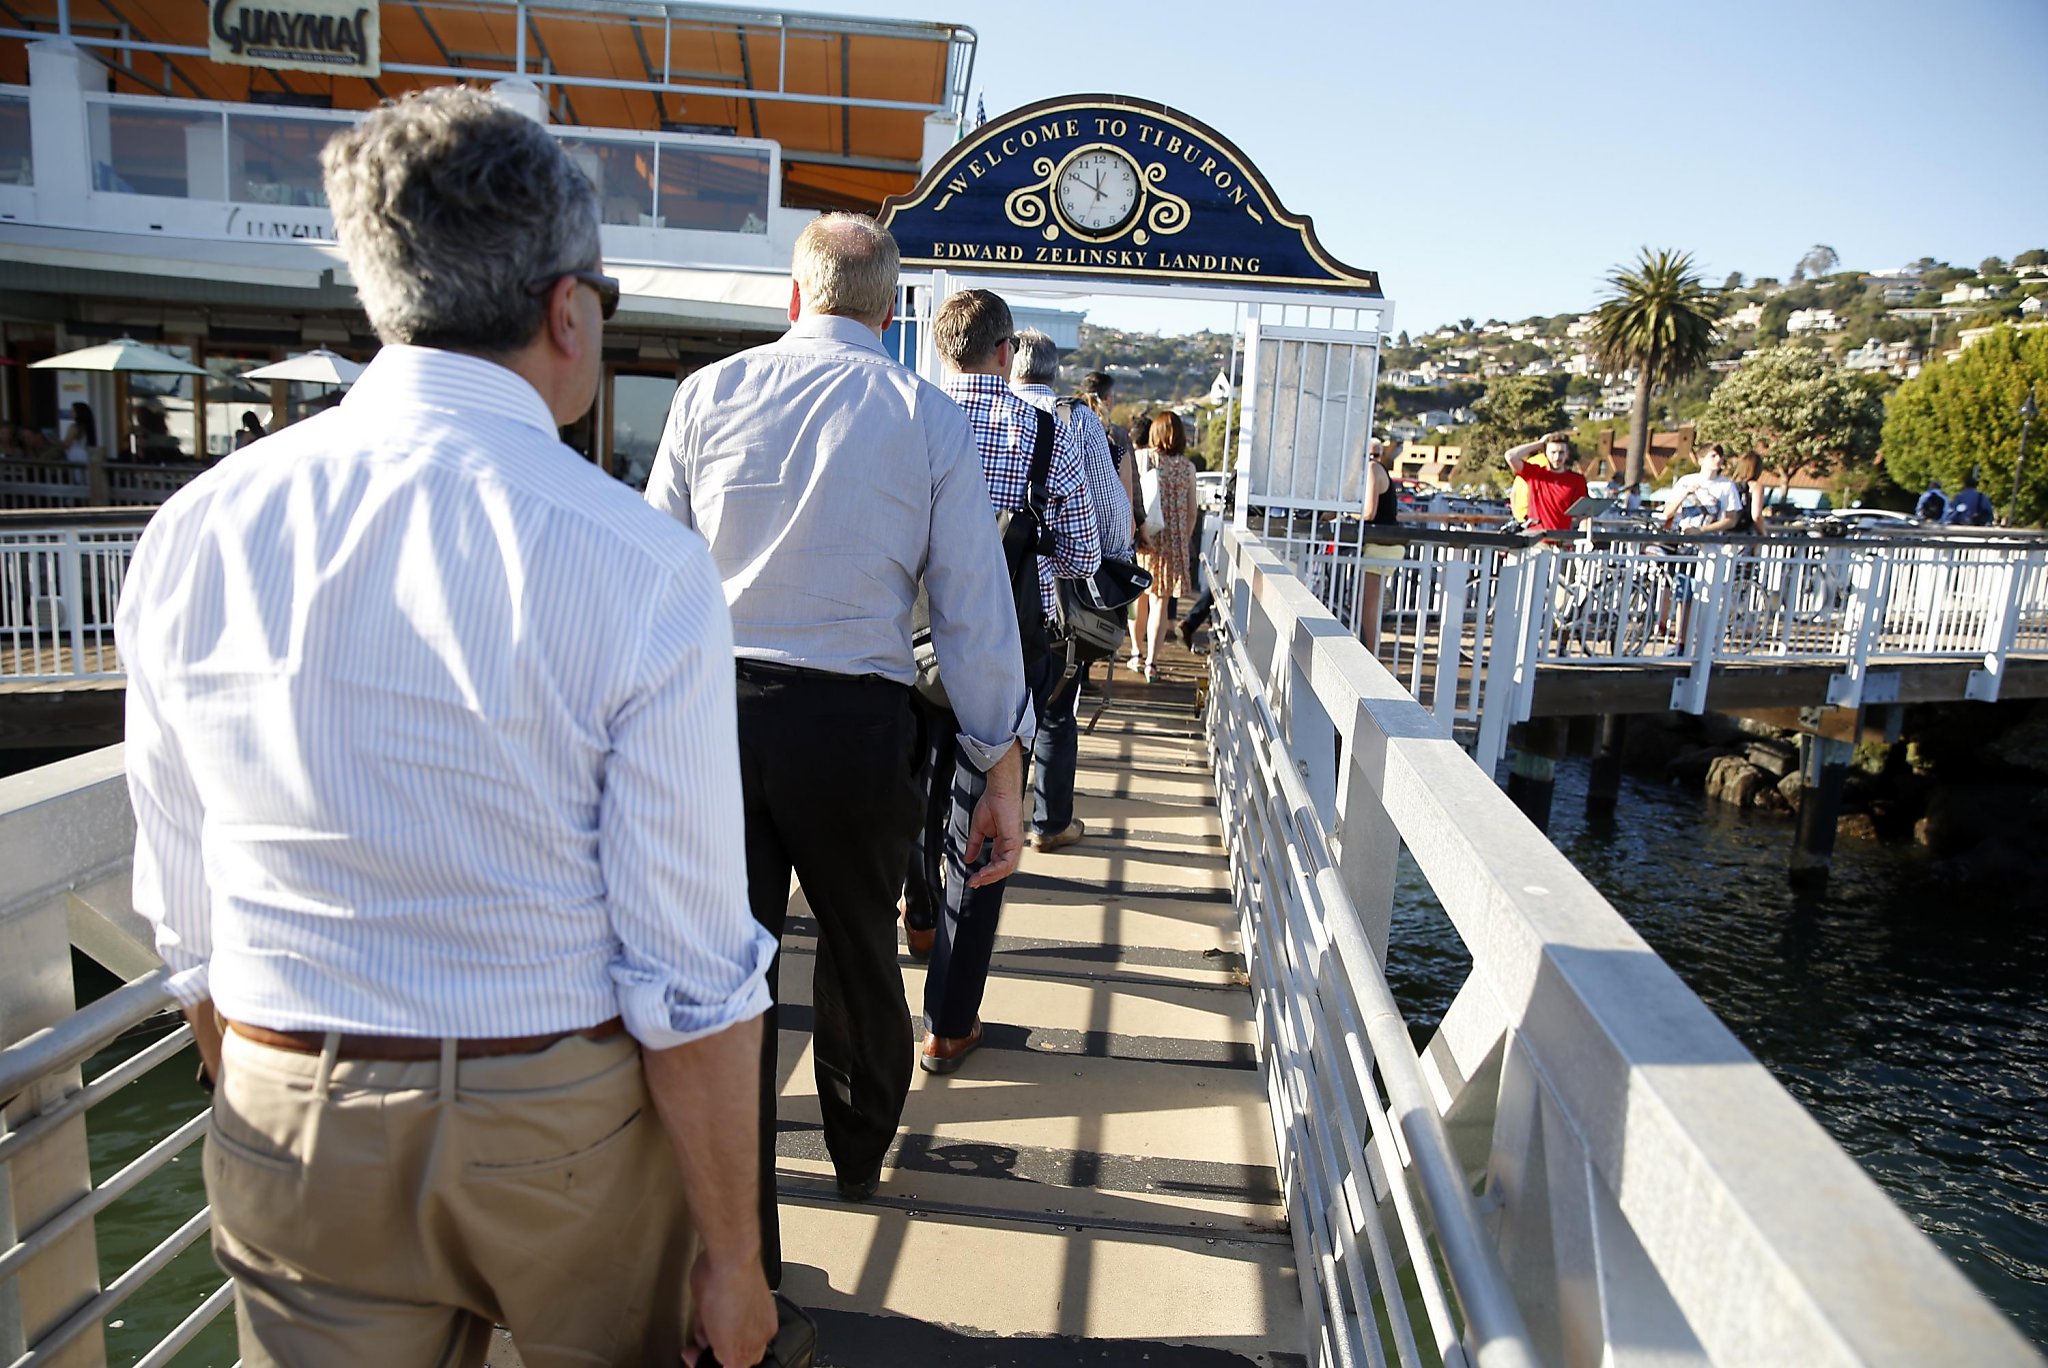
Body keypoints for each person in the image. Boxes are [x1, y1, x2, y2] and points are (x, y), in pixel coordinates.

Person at [115, 87, 777, 1368]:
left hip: (291, 1093)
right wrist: (734, 1265)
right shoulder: (637, 563)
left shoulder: (196, 528)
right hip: (560, 1112)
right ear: (567, 310)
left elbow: (185, 916)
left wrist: (284, 1079)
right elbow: (690, 973)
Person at [644, 213, 1033, 1277]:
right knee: (862, 945)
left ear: (793, 299)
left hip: (715, 711)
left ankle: (741, 1247)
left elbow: (658, 579)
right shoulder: (920, 414)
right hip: (856, 721)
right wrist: (999, 758)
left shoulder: (706, 395)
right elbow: (968, 605)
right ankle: (857, 1152)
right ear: (890, 312)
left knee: (731, 977)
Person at [907, 291, 1099, 1071]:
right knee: (984, 818)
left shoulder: (906, 417)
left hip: (908, 645)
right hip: (1012, 647)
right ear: (1004, 351)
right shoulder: (1043, 429)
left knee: (914, 791)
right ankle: (949, 1023)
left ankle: (917, 915)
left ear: (940, 347)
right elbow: (1084, 551)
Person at [1012, 329, 1127, 852]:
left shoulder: (979, 407)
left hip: (975, 595)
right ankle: (1049, 823)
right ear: (1055, 372)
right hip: (1055, 596)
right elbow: (1110, 515)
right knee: (1055, 708)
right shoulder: (1075, 420)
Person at [1131, 413, 1197, 679]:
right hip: (1173, 543)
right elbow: (1192, 511)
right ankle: (1151, 662)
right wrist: (1183, 537)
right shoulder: (1188, 468)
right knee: (1160, 602)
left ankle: (1135, 652)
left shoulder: (1144, 459)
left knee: (1138, 598)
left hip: (1145, 539)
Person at [1357, 439, 1403, 652]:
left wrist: (1345, 513)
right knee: (1369, 607)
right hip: (1388, 544)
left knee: (1368, 608)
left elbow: (1369, 513)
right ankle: (1369, 654)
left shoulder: (1372, 469)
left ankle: (1368, 657)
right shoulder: (1379, 468)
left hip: (1380, 545)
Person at [1502, 431, 1588, 533]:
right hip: (1534, 540)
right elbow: (1510, 456)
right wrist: (1540, 443)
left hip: (1562, 540)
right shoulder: (1534, 473)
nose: (1557, 457)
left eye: (1561, 453)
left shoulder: (1577, 480)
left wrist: (1584, 538)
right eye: (1553, 452)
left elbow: (1584, 513)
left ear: (1567, 454)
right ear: (1545, 453)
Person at [1662, 444, 1744, 533]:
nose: (1718, 459)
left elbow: (1731, 520)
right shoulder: (1686, 480)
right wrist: (1685, 494)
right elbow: (1667, 514)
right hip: (1681, 538)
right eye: (1713, 456)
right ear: (1701, 460)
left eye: (1720, 456)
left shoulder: (1727, 485)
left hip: (1710, 542)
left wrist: (1701, 530)